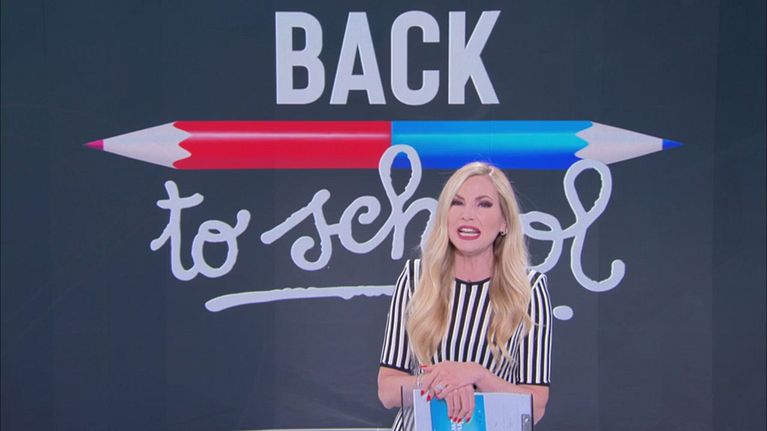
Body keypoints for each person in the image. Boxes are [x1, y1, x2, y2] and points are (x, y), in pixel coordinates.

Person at [377, 162, 553, 429]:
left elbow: (535, 406)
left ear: (504, 222)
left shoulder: (529, 289)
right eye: (457, 203)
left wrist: (476, 375)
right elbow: (387, 391)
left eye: (484, 204)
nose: (467, 215)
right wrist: (441, 382)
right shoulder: (417, 278)